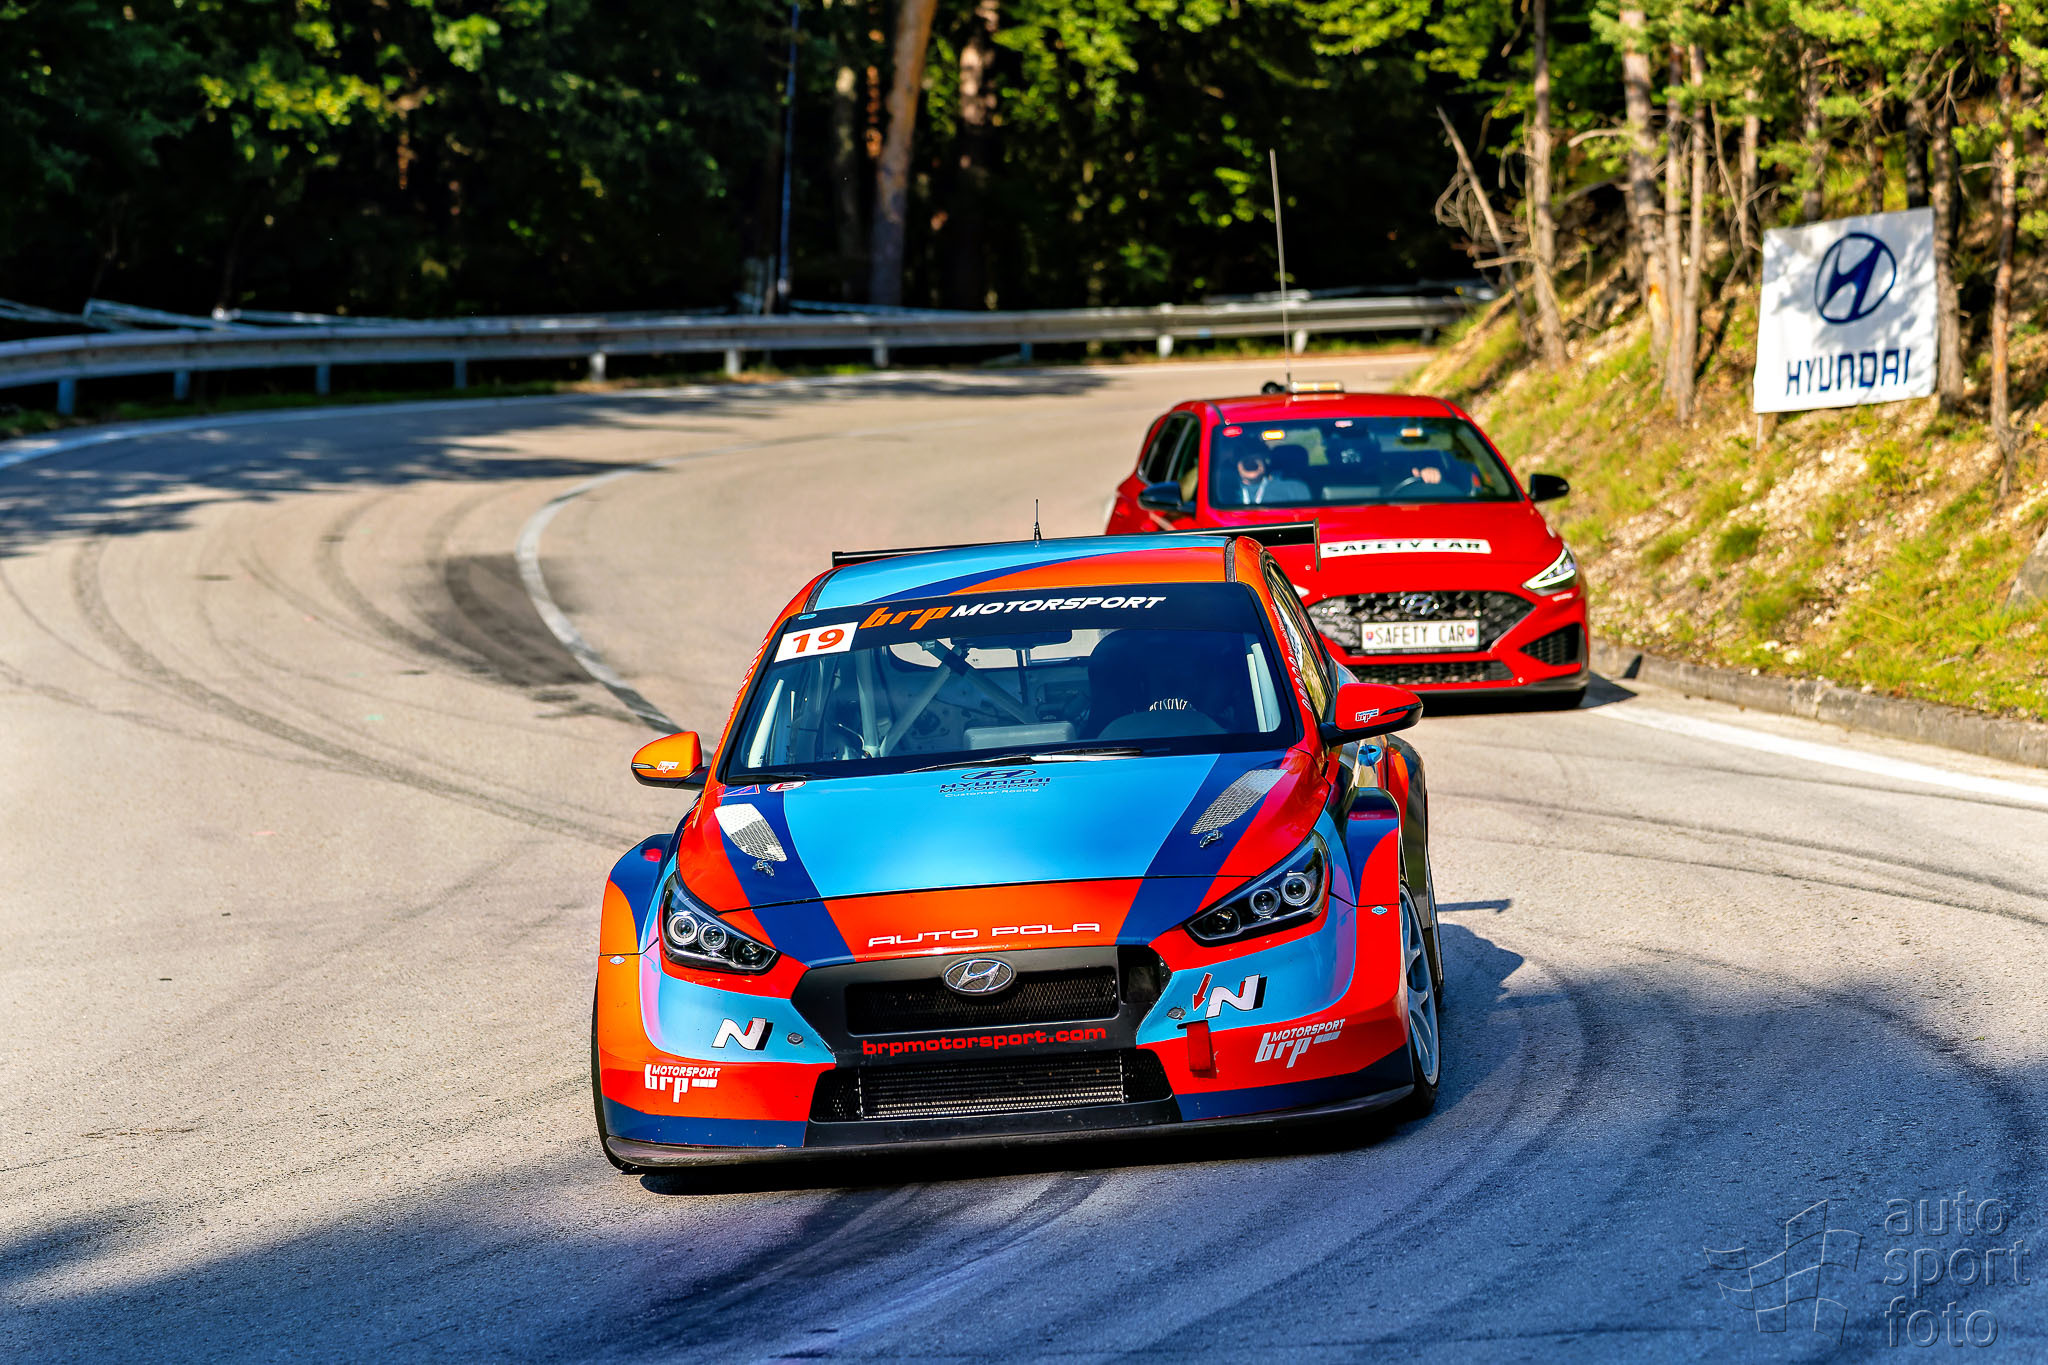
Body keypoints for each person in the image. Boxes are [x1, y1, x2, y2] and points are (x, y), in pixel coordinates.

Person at [1228, 447, 1311, 505]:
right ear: (1235, 465)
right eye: (1246, 461)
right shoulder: (1225, 492)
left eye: (1256, 459)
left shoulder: (1294, 488)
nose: (1251, 464)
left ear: (1265, 463)